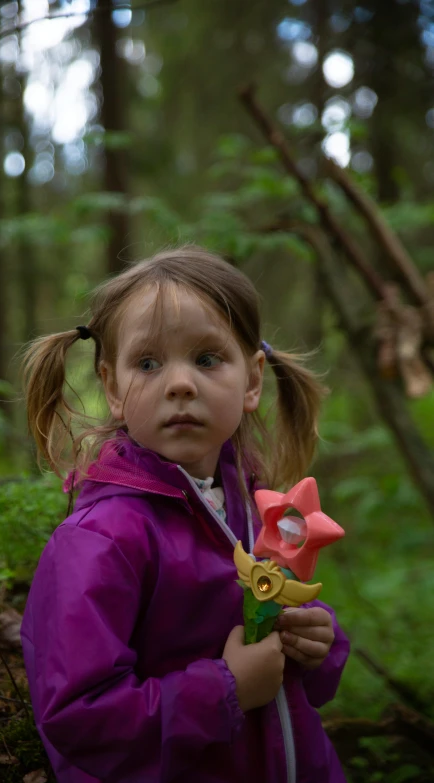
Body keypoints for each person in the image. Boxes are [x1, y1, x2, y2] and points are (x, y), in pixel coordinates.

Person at [20, 246, 350, 783]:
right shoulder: (102, 539)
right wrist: (225, 690)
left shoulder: (257, 507)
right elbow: (77, 717)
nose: (179, 383)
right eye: (147, 363)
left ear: (251, 380)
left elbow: (305, 683)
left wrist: (318, 643)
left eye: (206, 358)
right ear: (112, 388)